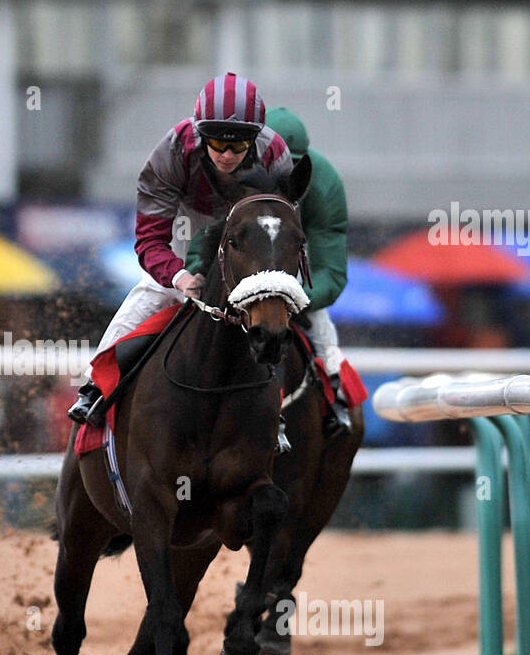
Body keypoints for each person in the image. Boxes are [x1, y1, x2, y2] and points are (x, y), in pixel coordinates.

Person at [68, 72, 293, 425]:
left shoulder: (276, 155)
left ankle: (277, 410)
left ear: (256, 139)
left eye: (239, 145)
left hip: (248, 228)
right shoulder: (171, 152)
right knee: (153, 292)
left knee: (273, 308)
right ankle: (94, 387)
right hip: (189, 221)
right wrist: (178, 277)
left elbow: (281, 227)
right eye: (217, 144)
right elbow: (150, 240)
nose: (228, 154)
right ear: (200, 134)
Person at [184, 105, 352, 436]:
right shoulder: (232, 177)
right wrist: (200, 283)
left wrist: (287, 297)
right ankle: (101, 389)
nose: (281, 172)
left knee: (322, 325)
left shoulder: (324, 183)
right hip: (232, 283)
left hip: (291, 284)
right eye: (273, 161)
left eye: (291, 167)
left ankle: (336, 398)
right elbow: (201, 244)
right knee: (166, 309)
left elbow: (331, 271)